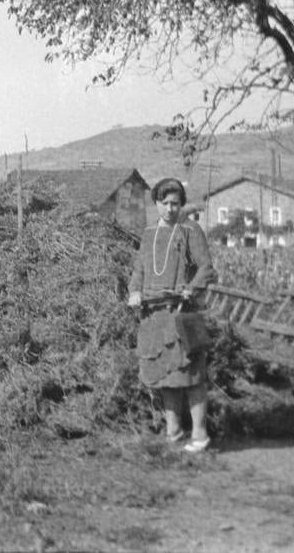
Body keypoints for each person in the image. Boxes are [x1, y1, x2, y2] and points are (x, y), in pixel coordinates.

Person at [127, 177, 217, 453]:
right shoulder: (149, 234)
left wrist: (192, 288)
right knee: (166, 375)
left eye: (175, 204)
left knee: (190, 375)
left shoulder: (190, 231)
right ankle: (173, 432)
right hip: (154, 314)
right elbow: (140, 270)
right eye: (164, 203)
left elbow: (206, 267)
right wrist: (134, 291)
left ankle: (200, 435)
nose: (170, 209)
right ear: (156, 203)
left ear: (182, 205)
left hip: (182, 313)